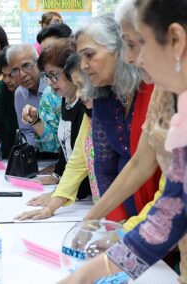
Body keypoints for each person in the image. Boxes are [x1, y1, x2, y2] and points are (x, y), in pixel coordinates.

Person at [60, 0, 187, 282]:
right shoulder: (174, 96)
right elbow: (172, 208)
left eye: (135, 44)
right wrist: (90, 271)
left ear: (176, 40)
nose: (132, 58)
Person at [75, 14, 160, 222]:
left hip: (159, 211)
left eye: (89, 55)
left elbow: (143, 163)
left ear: (119, 49)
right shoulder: (102, 95)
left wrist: (94, 220)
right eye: (81, 58)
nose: (84, 66)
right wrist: (114, 222)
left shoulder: (155, 89)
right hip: (128, 215)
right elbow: (104, 168)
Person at [16, 47, 93, 221]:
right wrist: (57, 183)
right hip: (75, 196)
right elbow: (68, 152)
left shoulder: (87, 105)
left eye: (54, 75)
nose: (49, 82)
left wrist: (57, 196)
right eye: (46, 76)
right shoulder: (66, 100)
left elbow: (83, 160)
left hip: (85, 196)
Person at [6, 44, 59, 160]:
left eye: (26, 66)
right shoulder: (20, 94)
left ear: (38, 63)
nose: (22, 75)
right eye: (15, 70)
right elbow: (26, 131)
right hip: (40, 157)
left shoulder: (55, 86)